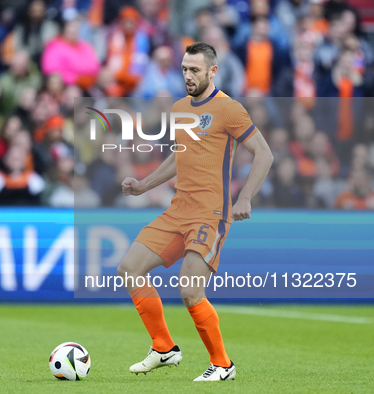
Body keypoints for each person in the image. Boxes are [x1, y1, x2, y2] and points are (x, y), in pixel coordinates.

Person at [118, 43, 273, 381]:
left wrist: (245, 197)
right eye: (185, 69)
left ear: (212, 72)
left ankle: (222, 365)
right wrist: (145, 185)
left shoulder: (229, 109)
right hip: (178, 210)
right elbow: (180, 155)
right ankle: (163, 348)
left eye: (195, 70)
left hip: (210, 213)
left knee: (188, 289)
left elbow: (264, 154)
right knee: (129, 268)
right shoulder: (179, 108)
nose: (188, 75)